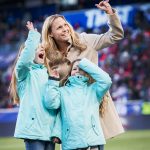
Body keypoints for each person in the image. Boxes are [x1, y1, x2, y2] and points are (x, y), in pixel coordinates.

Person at [41, 0, 124, 141]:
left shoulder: (85, 41)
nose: (65, 29)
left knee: (95, 144)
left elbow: (115, 35)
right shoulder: (47, 56)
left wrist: (110, 14)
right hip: (70, 115)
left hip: (93, 108)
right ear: (50, 34)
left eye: (65, 24)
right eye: (59, 27)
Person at [9, 21, 59, 150]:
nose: (41, 49)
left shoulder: (48, 75)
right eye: (37, 48)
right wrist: (33, 36)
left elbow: (52, 104)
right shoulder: (24, 74)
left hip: (49, 133)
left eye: (42, 48)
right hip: (33, 133)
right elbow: (25, 61)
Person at [44, 58, 112, 150]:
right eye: (74, 69)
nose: (77, 71)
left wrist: (84, 63)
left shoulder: (93, 89)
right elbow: (50, 104)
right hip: (70, 142)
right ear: (70, 73)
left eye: (81, 68)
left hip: (92, 141)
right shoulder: (62, 91)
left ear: (87, 71)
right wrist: (52, 81)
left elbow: (106, 80)